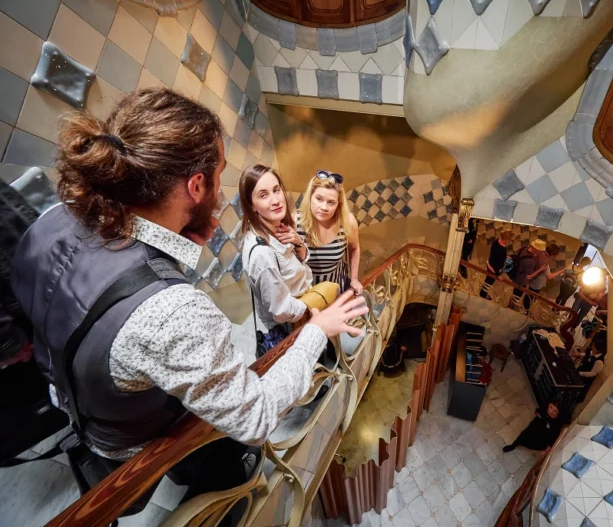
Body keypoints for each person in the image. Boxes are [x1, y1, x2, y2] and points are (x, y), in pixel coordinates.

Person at [10, 88, 367, 511]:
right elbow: (254, 416)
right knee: (220, 472)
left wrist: (176, 240)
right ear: (197, 185)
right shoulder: (174, 312)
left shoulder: (52, 220)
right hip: (139, 439)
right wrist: (316, 330)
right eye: (218, 176)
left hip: (80, 398)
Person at [240, 164, 313, 356]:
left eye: (276, 190)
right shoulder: (262, 253)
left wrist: (298, 242)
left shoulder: (278, 227)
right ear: (252, 205)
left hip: (302, 320)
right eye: (263, 195)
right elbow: (281, 310)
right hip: (293, 331)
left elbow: (301, 262)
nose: (275, 200)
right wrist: (315, 303)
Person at [297, 171, 362, 293]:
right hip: (304, 292)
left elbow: (354, 248)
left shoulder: (347, 222)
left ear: (338, 204)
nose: (324, 207)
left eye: (331, 202)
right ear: (310, 197)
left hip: (336, 288)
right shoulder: (295, 223)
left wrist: (354, 278)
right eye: (319, 199)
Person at [480, 230, 513, 299]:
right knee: (488, 282)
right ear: (506, 239)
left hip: (490, 263)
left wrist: (504, 256)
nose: (511, 241)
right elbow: (496, 264)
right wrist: (499, 275)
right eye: (510, 240)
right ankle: (483, 294)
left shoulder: (498, 240)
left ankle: (483, 292)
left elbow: (495, 254)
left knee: (487, 280)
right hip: (493, 269)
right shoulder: (500, 249)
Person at [574, 337, 607, 402]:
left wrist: (580, 373)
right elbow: (588, 355)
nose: (592, 347)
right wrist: (579, 354)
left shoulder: (599, 362)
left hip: (584, 380)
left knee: (576, 395)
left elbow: (592, 374)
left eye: (594, 347)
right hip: (580, 372)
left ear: (598, 350)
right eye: (592, 345)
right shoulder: (593, 352)